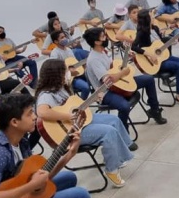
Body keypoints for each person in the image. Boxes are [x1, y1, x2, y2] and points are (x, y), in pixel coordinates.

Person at [35, 59, 135, 187]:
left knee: (114, 120)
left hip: (81, 121)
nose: (67, 73)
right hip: (70, 132)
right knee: (108, 132)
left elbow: (74, 105)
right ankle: (111, 170)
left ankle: (118, 156)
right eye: (64, 71)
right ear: (55, 74)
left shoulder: (62, 88)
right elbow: (42, 112)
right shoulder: (46, 94)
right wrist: (67, 116)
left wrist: (94, 97)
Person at [82, 27, 166, 127]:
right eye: (104, 36)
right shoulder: (94, 59)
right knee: (124, 106)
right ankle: (123, 133)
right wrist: (123, 72)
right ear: (97, 42)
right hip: (106, 92)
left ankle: (154, 110)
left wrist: (127, 58)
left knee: (149, 79)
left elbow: (113, 69)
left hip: (120, 84)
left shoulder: (102, 52)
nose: (107, 37)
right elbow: (108, 80)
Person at [132, 10, 179, 105]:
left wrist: (171, 40)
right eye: (151, 17)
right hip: (154, 62)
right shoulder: (142, 32)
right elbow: (133, 47)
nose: (154, 18)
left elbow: (159, 42)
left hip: (163, 57)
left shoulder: (155, 28)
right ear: (147, 19)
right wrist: (149, 54)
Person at [49, 30, 90, 99]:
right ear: (56, 41)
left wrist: (83, 65)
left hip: (77, 74)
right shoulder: (55, 53)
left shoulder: (69, 50)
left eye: (64, 37)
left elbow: (74, 63)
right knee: (86, 87)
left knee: (93, 76)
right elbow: (55, 68)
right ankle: (80, 105)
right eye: (62, 38)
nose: (64, 39)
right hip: (68, 79)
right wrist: (68, 70)